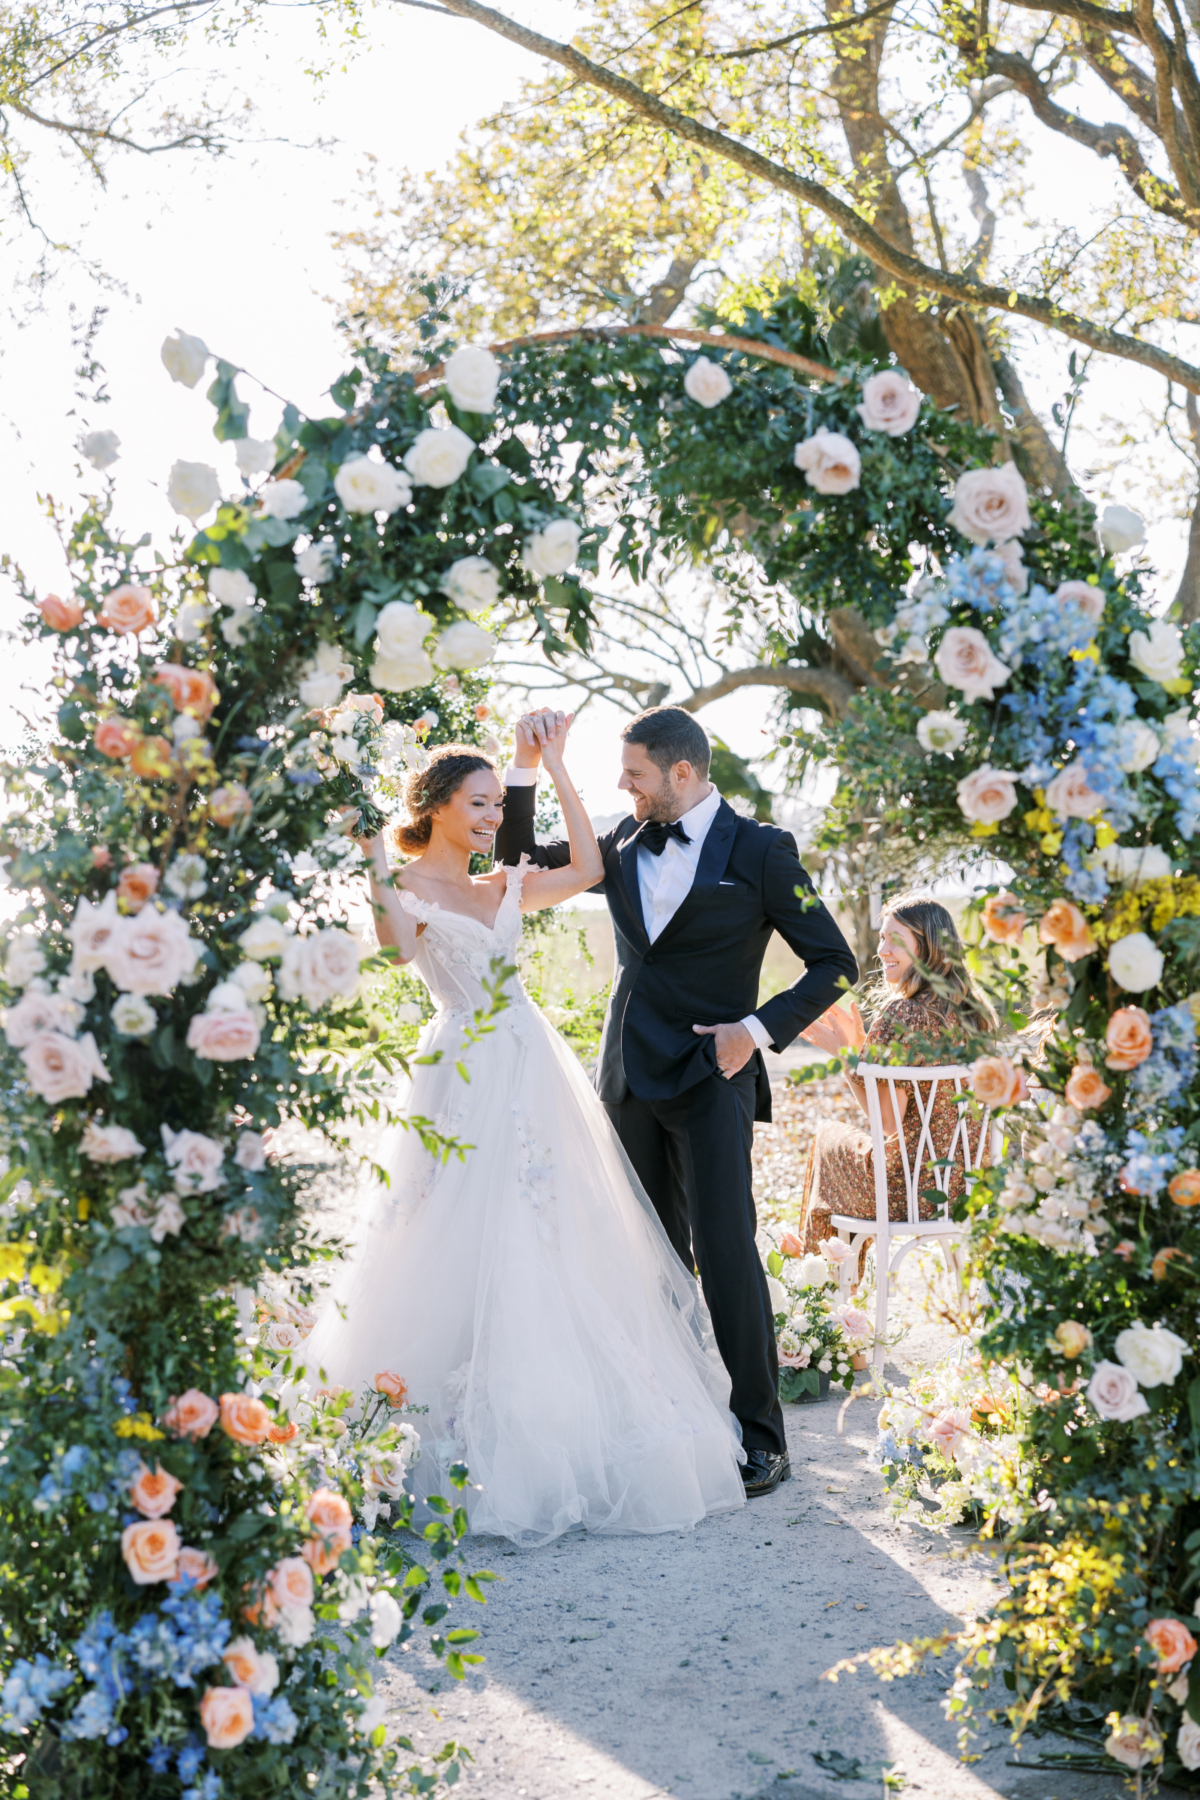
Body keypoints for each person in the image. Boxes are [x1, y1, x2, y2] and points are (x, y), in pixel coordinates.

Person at [302, 717, 748, 1547]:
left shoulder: (504, 884)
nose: (490, 818)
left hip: (529, 1063)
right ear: (435, 807)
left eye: (491, 806)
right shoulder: (407, 886)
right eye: (476, 806)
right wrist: (368, 855)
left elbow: (587, 865)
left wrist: (554, 768)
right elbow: (398, 953)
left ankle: (556, 1419)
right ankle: (427, 1422)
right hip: (461, 1069)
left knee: (544, 1229)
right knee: (444, 1229)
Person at [495, 705, 858, 1497]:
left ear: (681, 774)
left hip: (713, 1075)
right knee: (642, 1256)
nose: (622, 786)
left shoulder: (763, 851)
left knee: (726, 1254)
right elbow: (516, 860)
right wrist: (525, 766)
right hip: (625, 1074)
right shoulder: (619, 841)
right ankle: (673, 1423)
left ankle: (764, 1437)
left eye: (634, 774)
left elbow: (835, 962)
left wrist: (754, 1032)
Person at [796, 896, 995, 1256]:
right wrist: (862, 1058)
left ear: (927, 945)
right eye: (881, 939)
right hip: (968, 1188)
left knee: (828, 1136)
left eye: (894, 939)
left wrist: (848, 1059)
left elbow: (888, 1123)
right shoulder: (977, 1015)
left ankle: (823, 1283)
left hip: (911, 1190)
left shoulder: (904, 1013)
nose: (882, 950)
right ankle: (829, 1278)